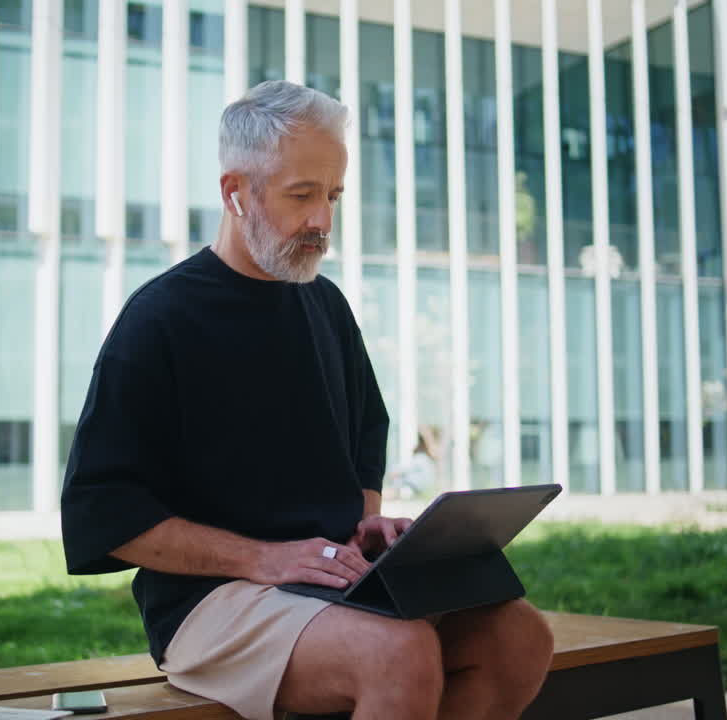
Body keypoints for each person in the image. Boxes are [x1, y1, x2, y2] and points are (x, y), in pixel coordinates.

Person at [60, 80, 553, 720]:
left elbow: (364, 440)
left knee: (519, 640)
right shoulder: (158, 319)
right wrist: (263, 558)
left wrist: (364, 527)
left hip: (329, 582)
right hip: (212, 600)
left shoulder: (324, 302)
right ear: (235, 192)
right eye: (302, 195)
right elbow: (102, 510)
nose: (322, 220)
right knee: (397, 653)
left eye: (333, 196)